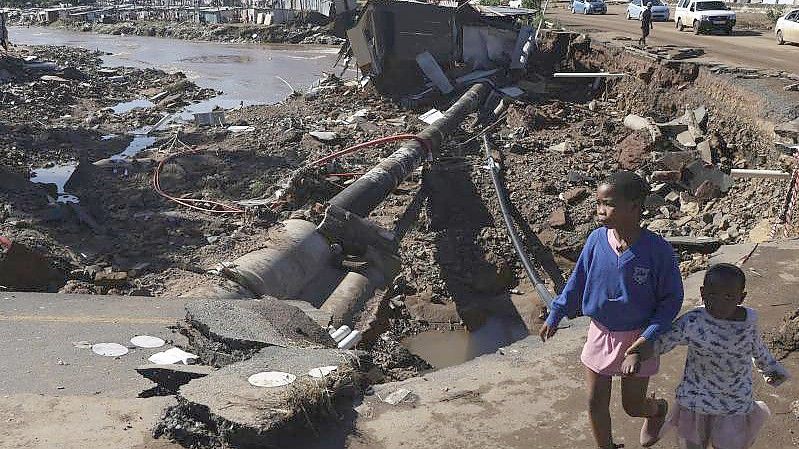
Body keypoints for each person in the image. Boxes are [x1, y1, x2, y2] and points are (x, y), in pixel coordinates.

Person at [539, 170, 684, 449]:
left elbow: (671, 301)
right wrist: (557, 311)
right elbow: (578, 280)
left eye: (609, 204)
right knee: (594, 401)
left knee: (632, 405)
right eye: (598, 203)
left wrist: (646, 340)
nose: (600, 211)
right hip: (601, 332)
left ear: (635, 207)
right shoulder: (596, 240)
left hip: (639, 339)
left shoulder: (658, 251)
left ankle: (657, 410)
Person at [626, 263, 789, 449]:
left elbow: (757, 349)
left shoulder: (748, 322)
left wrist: (770, 369)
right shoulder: (694, 321)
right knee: (691, 444)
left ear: (741, 297)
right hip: (696, 398)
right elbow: (665, 340)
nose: (719, 303)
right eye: (713, 295)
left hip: (733, 401)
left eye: (728, 296)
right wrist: (637, 354)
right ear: (702, 293)